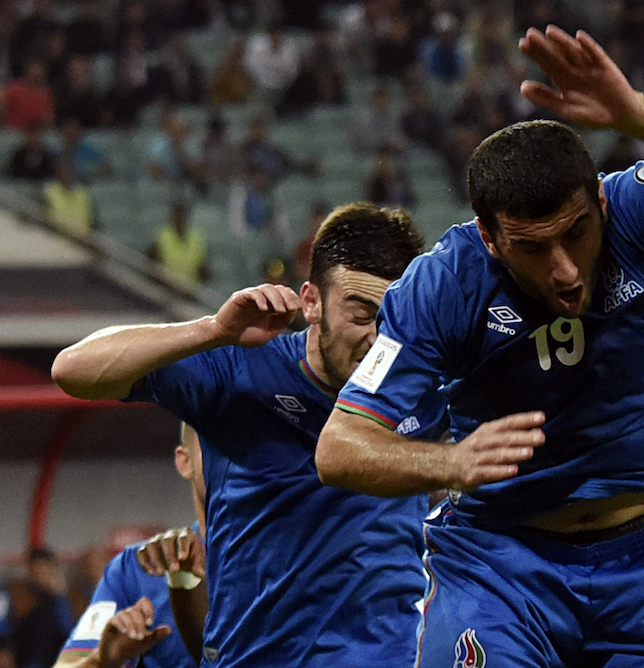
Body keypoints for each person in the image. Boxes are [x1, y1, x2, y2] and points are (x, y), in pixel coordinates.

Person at [314, 25, 644, 667]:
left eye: (576, 234)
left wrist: (638, 113)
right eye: (534, 247)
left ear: (597, 202)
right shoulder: (443, 284)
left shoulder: (635, 210)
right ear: (489, 237)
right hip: (501, 565)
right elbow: (340, 447)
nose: (564, 269)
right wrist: (450, 464)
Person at [51, 204, 434, 668]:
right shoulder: (243, 372)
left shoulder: (425, 384)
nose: (377, 337)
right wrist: (213, 330)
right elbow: (72, 370)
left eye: (393, 318)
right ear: (310, 301)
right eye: (360, 314)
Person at [54, 425, 204, 668]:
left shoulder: (286, 562)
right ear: (185, 462)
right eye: (216, 447)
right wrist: (102, 660)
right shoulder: (135, 569)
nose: (231, 464)